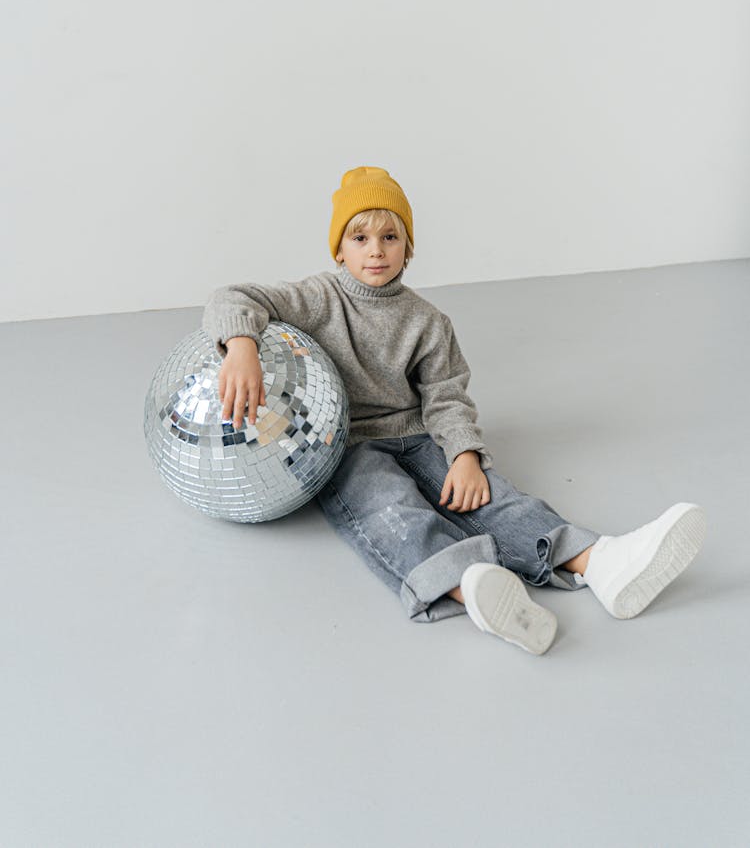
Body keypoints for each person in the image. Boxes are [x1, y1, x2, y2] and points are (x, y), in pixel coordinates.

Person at [202, 166, 706, 655]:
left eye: (389, 237)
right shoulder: (317, 298)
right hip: (347, 443)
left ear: (409, 248)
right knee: (390, 510)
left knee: (493, 499)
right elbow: (232, 295)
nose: (375, 250)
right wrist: (242, 345)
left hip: (416, 432)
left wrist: (464, 453)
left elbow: (446, 395)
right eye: (359, 238)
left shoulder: (427, 320)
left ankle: (601, 562)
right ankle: (474, 587)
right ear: (339, 248)